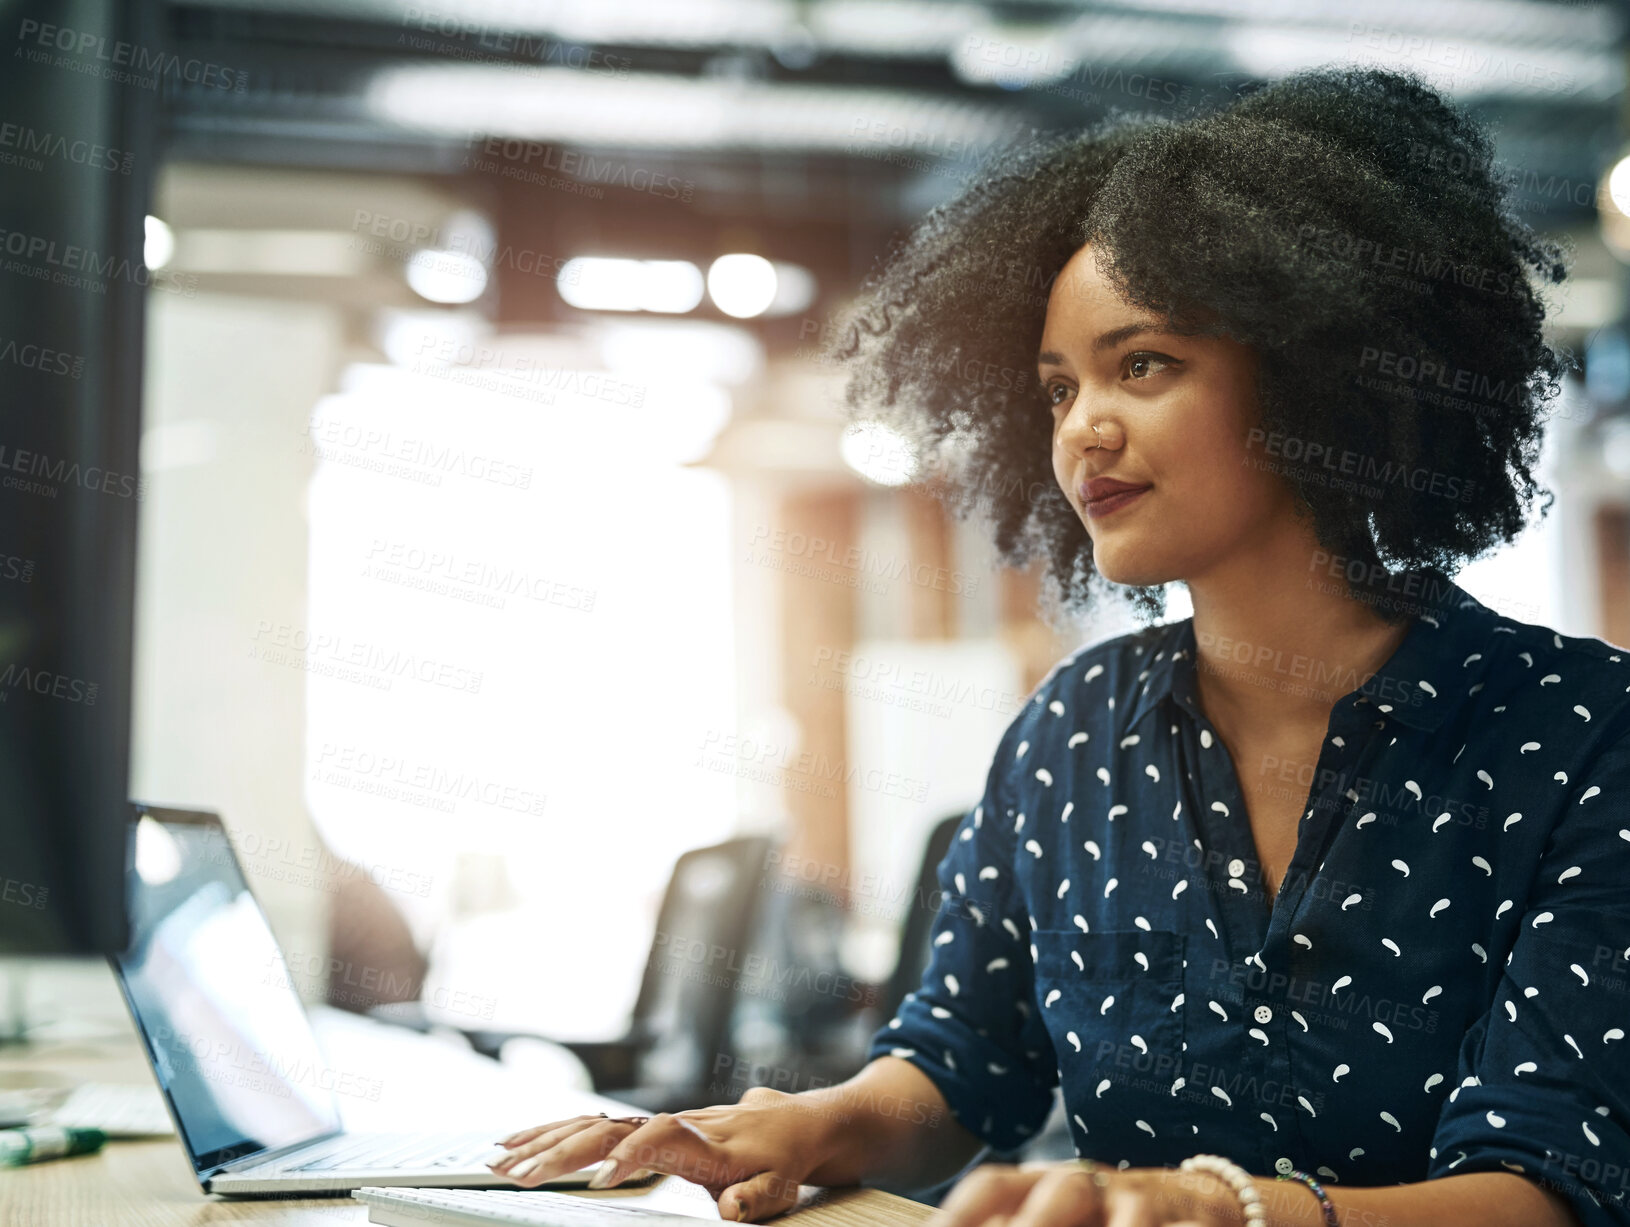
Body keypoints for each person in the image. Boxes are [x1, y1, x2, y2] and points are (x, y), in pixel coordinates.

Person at [487, 66, 1627, 1226]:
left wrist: (1211, 1211)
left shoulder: (1582, 732)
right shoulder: (1074, 729)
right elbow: (956, 1067)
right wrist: (809, 1122)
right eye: (1053, 389)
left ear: (1317, 379)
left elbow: (1548, 1186)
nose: (1083, 427)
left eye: (1143, 364)